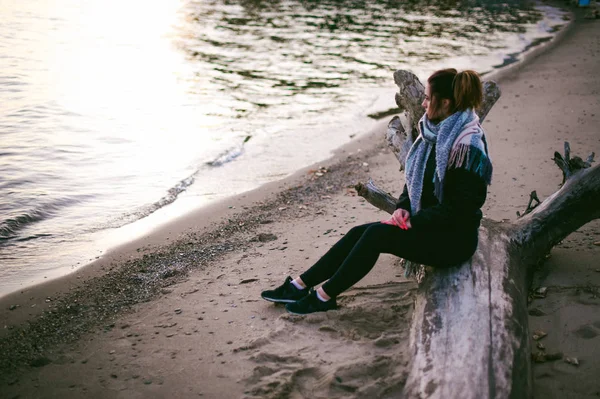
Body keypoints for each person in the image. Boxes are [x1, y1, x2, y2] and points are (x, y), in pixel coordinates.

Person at [261, 68, 493, 315]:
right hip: (429, 225)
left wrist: (412, 221)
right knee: (357, 233)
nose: (423, 103)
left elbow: (459, 210)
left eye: (427, 98)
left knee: (375, 236)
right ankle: (299, 285)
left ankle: (324, 296)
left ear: (445, 103)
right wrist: (403, 208)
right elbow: (413, 182)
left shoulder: (467, 146)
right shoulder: (432, 133)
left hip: (452, 240)